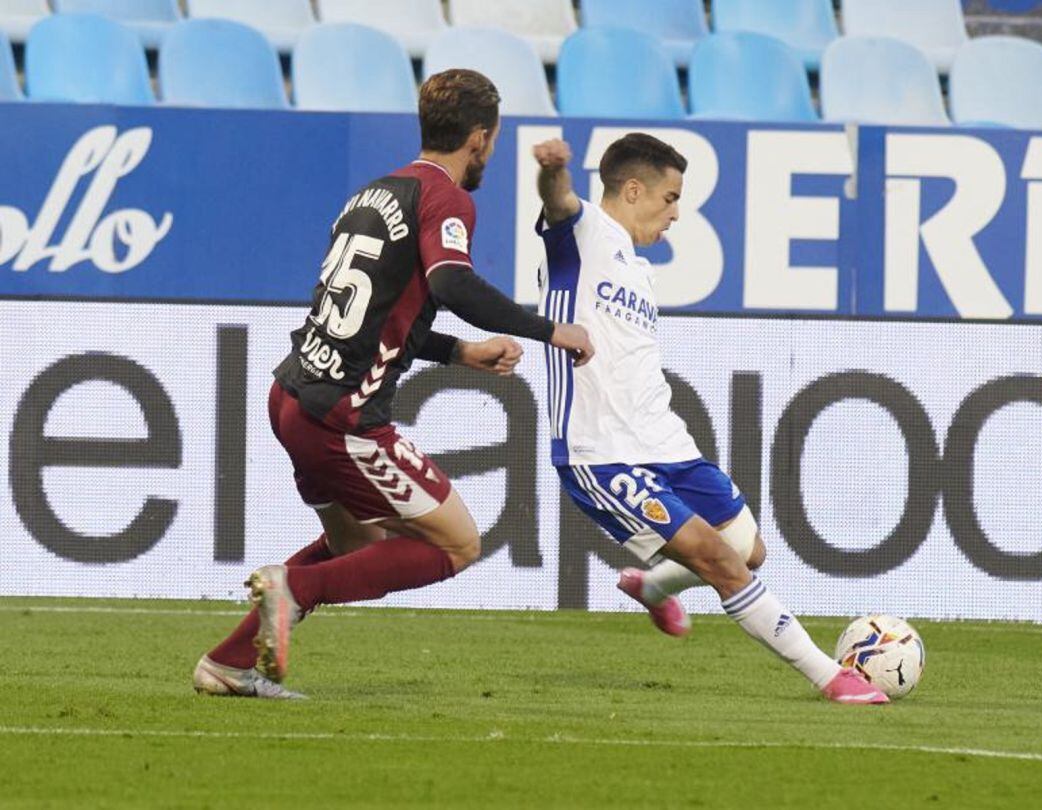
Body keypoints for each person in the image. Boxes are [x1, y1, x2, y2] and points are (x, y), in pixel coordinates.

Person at [193, 69, 594, 699]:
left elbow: (373, 315)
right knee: (457, 544)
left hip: (291, 397)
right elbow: (452, 284)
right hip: (342, 419)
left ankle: (226, 664)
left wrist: (460, 350)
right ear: (481, 139)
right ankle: (291, 587)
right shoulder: (447, 199)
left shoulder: (374, 194)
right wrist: (550, 329)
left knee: (356, 544)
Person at [532, 133, 888, 704]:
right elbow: (558, 200)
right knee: (720, 560)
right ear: (631, 188)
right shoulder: (583, 236)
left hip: (666, 442)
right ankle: (830, 675)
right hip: (602, 452)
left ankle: (653, 586)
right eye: (670, 198)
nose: (675, 213)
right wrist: (552, 170)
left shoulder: (640, 271)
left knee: (748, 549)